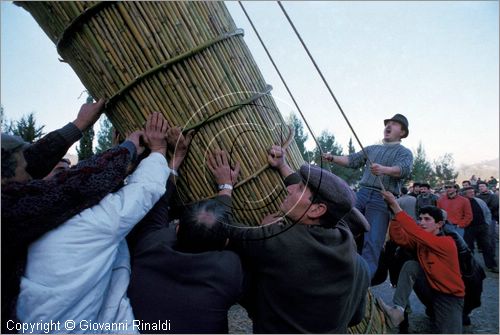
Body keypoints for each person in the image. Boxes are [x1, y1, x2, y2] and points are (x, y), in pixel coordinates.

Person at [16, 113, 171, 333]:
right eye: (61, 171)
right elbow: (141, 192)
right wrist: (158, 151)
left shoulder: (19, 224)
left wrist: (119, 158)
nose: (70, 173)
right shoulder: (82, 227)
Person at [1, 99, 137, 332]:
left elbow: (31, 160)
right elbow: (72, 189)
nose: (35, 176)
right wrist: (127, 149)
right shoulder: (9, 209)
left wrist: (79, 125)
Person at [228, 144, 370, 333]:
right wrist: (282, 165)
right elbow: (355, 318)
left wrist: (225, 186)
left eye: (301, 188)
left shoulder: (278, 241)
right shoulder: (348, 244)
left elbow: (221, 229)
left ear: (317, 210)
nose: (290, 189)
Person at [127, 134, 244, 334]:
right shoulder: (228, 270)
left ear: (178, 227)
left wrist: (175, 159)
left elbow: (159, 206)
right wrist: (226, 187)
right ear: (225, 242)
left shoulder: (150, 245)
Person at [322, 113, 413, 278]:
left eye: (394, 124)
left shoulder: (405, 152)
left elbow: (404, 169)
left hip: (382, 199)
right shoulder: (371, 149)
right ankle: (329, 267)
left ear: (403, 132)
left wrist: (383, 169)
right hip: (361, 194)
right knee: (340, 227)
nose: (389, 125)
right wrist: (332, 158)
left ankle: (361, 281)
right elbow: (352, 160)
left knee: (372, 243)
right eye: (388, 123)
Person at [376, 198, 465, 334]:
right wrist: (394, 217)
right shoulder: (422, 242)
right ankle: (398, 311)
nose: (422, 222)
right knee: (411, 265)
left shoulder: (446, 242)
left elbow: (415, 232)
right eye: (420, 218)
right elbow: (399, 238)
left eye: (427, 219)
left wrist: (396, 207)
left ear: (439, 224)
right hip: (430, 289)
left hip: (449, 297)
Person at [462, 187, 498, 273]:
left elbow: (487, 212)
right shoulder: (462, 202)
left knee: (487, 246)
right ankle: (470, 267)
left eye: (473, 192)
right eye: (469, 192)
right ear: (465, 194)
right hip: (468, 228)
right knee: (469, 248)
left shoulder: (479, 201)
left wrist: (487, 223)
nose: (472, 193)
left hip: (482, 227)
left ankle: (491, 265)